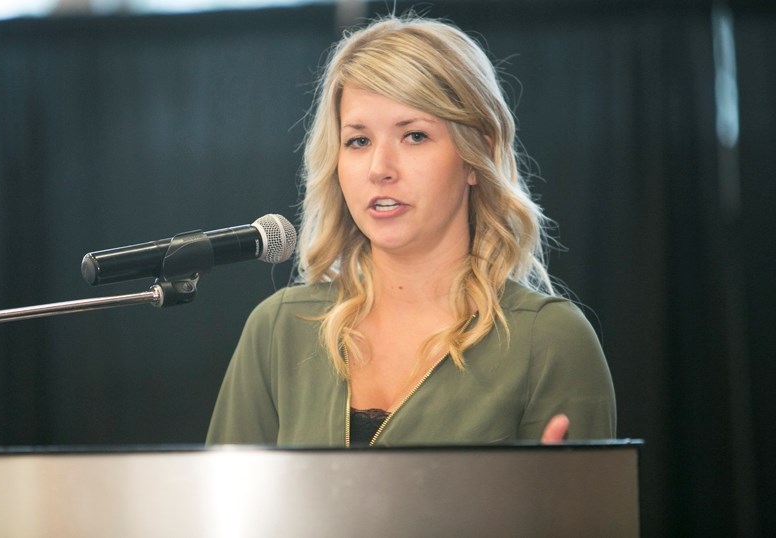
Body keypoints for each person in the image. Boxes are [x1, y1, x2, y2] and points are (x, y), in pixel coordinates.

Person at [206, 14, 615, 447]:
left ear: (477, 155)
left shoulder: (550, 341)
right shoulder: (278, 329)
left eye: (415, 136)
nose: (380, 169)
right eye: (359, 141)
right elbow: (218, 513)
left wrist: (549, 510)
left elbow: (593, 515)